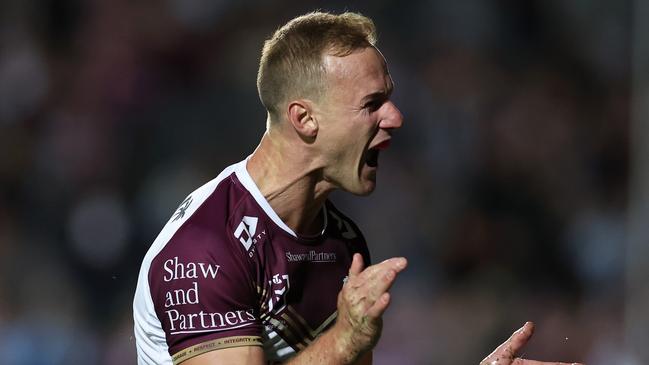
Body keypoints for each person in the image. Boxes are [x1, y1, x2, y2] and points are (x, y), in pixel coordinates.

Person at [133, 11, 584, 365]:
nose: (395, 117)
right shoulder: (205, 247)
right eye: (373, 104)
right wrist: (344, 342)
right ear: (304, 119)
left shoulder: (341, 243)